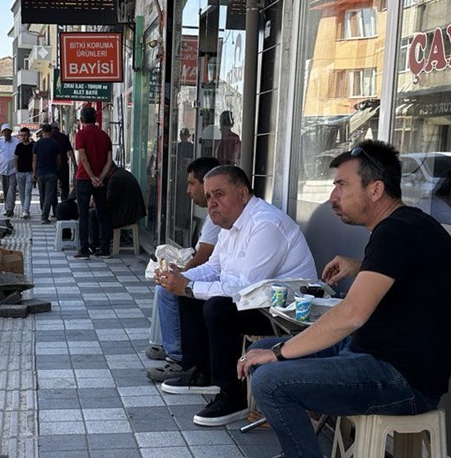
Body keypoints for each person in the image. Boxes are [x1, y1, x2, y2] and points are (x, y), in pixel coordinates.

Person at [237, 141, 451, 458]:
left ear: (375, 190)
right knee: (263, 349)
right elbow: (401, 279)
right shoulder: (402, 227)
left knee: (272, 375)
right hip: (372, 355)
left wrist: (282, 354)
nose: (333, 196)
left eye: (342, 185)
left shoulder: (397, 233)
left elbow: (352, 315)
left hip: (402, 379)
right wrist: (358, 266)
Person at [155, 165, 318, 426]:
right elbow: (214, 268)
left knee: (217, 307)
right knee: (189, 292)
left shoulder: (266, 224)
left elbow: (245, 290)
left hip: (284, 312)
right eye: (208, 197)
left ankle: (233, 396)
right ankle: (203, 372)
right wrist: (182, 276)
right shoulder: (229, 224)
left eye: (219, 194)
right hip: (256, 301)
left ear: (243, 194)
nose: (212, 203)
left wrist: (187, 285)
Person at [147, 156, 221, 383]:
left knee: (174, 290)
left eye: (191, 184)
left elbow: (207, 259)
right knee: (169, 281)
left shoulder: (231, 219)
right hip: (228, 280)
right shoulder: (220, 217)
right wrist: (182, 275)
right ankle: (175, 349)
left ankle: (179, 357)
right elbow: (213, 262)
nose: (188, 190)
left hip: (252, 295)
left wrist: (186, 280)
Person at [72, 106, 114, 259]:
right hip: (100, 180)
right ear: (95, 120)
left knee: (83, 214)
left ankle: (84, 249)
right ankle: (105, 249)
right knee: (103, 212)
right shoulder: (104, 136)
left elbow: (82, 157)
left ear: (82, 120)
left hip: (84, 178)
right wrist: (100, 178)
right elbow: (110, 161)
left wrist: (91, 177)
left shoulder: (81, 134)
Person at [89, 165, 146, 250]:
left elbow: (109, 202)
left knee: (94, 213)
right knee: (97, 211)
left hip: (126, 215)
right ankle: (100, 242)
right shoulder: (120, 173)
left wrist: (96, 203)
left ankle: (98, 244)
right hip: (131, 212)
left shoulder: (114, 178)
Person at [33, 124, 62, 224]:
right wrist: (56, 169)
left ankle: (44, 212)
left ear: (42, 132)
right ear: (51, 132)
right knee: (49, 194)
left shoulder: (37, 144)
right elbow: (59, 160)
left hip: (40, 173)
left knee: (42, 195)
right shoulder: (55, 144)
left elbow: (34, 160)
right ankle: (44, 216)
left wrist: (34, 173)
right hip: (51, 172)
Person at [0, 123, 18, 217]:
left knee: (12, 189)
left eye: (7, 131)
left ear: (10, 132)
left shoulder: (16, 142)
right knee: (5, 191)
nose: (6, 133)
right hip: (3, 171)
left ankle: (10, 209)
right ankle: (7, 208)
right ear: (2, 133)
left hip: (14, 171)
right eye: (4, 132)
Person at [13, 126, 35, 219]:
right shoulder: (19, 146)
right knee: (22, 193)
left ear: (28, 135)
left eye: (25, 135)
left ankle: (26, 210)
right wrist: (16, 170)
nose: (23, 137)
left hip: (29, 172)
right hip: (20, 172)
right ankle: (24, 209)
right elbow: (15, 159)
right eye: (22, 135)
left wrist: (34, 172)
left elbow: (34, 159)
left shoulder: (33, 146)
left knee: (28, 192)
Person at [51, 124, 74, 204]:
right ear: (58, 128)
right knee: (64, 187)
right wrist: (75, 164)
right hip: (63, 165)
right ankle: (64, 204)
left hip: (52, 166)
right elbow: (70, 152)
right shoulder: (64, 137)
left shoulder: (49, 138)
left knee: (53, 188)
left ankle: (55, 209)